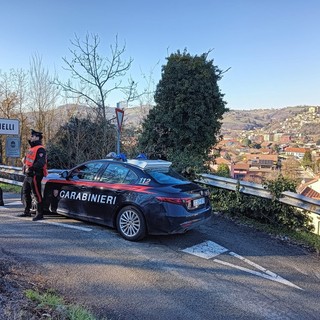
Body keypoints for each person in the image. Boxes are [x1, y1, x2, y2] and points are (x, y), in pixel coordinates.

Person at [19, 129, 48, 221]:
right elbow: (28, 160)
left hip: (35, 174)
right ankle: (27, 211)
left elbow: (41, 162)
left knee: (37, 194)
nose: (30, 137)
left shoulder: (40, 149)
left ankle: (40, 213)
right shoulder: (31, 148)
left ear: (37, 137)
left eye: (32, 136)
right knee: (25, 192)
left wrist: (31, 168)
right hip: (28, 175)